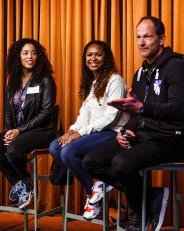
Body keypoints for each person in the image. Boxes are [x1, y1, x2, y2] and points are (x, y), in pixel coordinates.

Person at [83, 16, 184, 231]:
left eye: (147, 36)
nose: (141, 42)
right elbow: (135, 111)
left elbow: (181, 109)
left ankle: (139, 211)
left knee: (121, 163)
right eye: (138, 37)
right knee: (91, 161)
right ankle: (149, 195)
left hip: (170, 139)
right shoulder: (141, 71)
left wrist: (142, 109)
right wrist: (126, 130)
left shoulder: (177, 68)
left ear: (161, 39)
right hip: (145, 136)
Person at [49, 40, 128, 220]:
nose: (93, 58)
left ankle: (94, 194)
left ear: (106, 58)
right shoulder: (94, 83)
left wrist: (82, 133)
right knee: (55, 147)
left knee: (68, 153)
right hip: (96, 132)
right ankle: (97, 188)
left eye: (98, 54)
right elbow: (84, 115)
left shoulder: (115, 80)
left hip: (112, 132)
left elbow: (111, 116)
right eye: (89, 55)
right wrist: (71, 130)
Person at [0, 38, 57, 209]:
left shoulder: (45, 80)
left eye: (33, 52)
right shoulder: (13, 83)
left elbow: (46, 113)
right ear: (18, 56)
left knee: (13, 150)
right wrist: (10, 131)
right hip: (19, 130)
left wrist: (19, 131)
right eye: (25, 53)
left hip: (42, 130)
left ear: (38, 56)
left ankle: (24, 181)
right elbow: (8, 112)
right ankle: (20, 183)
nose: (29, 56)